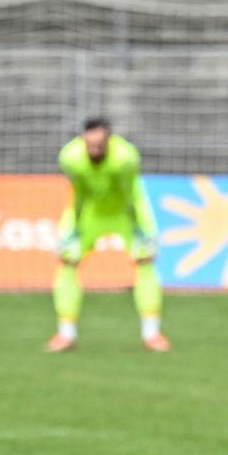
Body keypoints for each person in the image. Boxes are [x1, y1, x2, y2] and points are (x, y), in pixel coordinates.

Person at [47, 118, 171, 354]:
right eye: (89, 144)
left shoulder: (125, 158)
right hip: (91, 212)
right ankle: (66, 334)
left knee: (145, 262)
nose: (94, 149)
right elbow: (78, 193)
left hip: (124, 212)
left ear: (109, 141)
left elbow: (131, 194)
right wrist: (71, 227)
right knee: (67, 262)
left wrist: (143, 229)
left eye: (99, 144)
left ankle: (152, 334)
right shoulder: (70, 158)